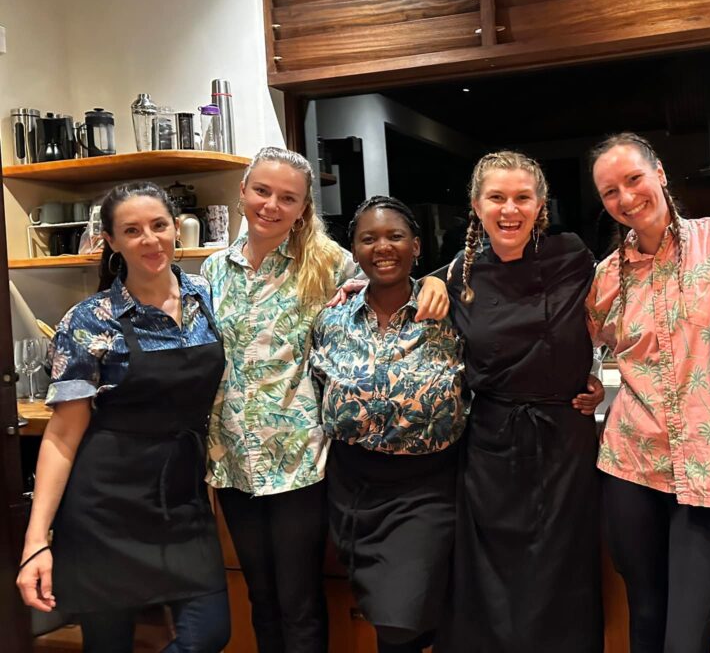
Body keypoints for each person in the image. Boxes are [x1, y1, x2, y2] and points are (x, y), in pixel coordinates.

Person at [204, 147, 447, 653]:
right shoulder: (212, 272)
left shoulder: (329, 264)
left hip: (301, 462)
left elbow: (390, 283)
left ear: (303, 208)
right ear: (243, 192)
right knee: (260, 598)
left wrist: (433, 283)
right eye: (262, 191)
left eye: (287, 197)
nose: (271, 205)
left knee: (298, 602)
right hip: (232, 461)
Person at [16, 182, 230, 653]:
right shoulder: (89, 320)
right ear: (111, 241)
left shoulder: (209, 300)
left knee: (211, 632)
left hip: (182, 497)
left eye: (158, 225)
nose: (150, 240)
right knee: (108, 644)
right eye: (132, 231)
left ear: (176, 228)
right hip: (104, 506)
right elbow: (63, 434)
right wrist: (37, 539)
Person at [438, 150, 604, 652]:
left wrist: (593, 373)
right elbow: (396, 297)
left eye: (522, 198)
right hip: (491, 447)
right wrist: (356, 288)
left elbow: (618, 311)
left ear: (541, 204)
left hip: (564, 445)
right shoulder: (455, 278)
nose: (509, 209)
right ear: (476, 205)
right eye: (496, 197)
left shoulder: (573, 255)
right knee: (491, 581)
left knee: (562, 575)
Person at [586, 132, 710, 653]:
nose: (626, 199)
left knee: (689, 628)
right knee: (645, 611)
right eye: (610, 192)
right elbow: (564, 341)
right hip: (631, 461)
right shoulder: (605, 277)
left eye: (634, 180)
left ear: (660, 174)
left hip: (708, 463)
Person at [309, 196, 465, 653]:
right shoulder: (331, 321)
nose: (383, 247)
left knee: (402, 618)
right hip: (351, 489)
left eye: (395, 236)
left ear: (416, 246)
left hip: (427, 486)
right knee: (391, 618)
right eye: (369, 239)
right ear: (354, 252)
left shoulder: (450, 312)